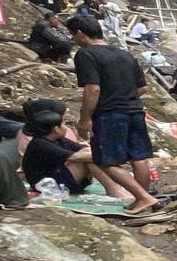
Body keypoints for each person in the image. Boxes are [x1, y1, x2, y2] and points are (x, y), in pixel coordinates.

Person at [66, 15, 158, 214]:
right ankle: (141, 200)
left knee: (104, 160)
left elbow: (93, 88)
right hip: (134, 111)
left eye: (73, 35)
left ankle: (143, 197)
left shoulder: (85, 54)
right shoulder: (124, 54)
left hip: (109, 114)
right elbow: (142, 88)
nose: (73, 39)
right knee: (139, 158)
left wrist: (85, 118)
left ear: (80, 34)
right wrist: (124, 95)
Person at [20, 109, 99, 194]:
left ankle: (110, 185)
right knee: (87, 159)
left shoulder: (58, 139)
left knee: (88, 152)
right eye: (63, 124)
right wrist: (104, 156)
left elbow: (83, 149)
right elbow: (75, 157)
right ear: (56, 129)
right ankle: (109, 188)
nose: (66, 127)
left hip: (59, 176)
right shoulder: (39, 144)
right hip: (48, 185)